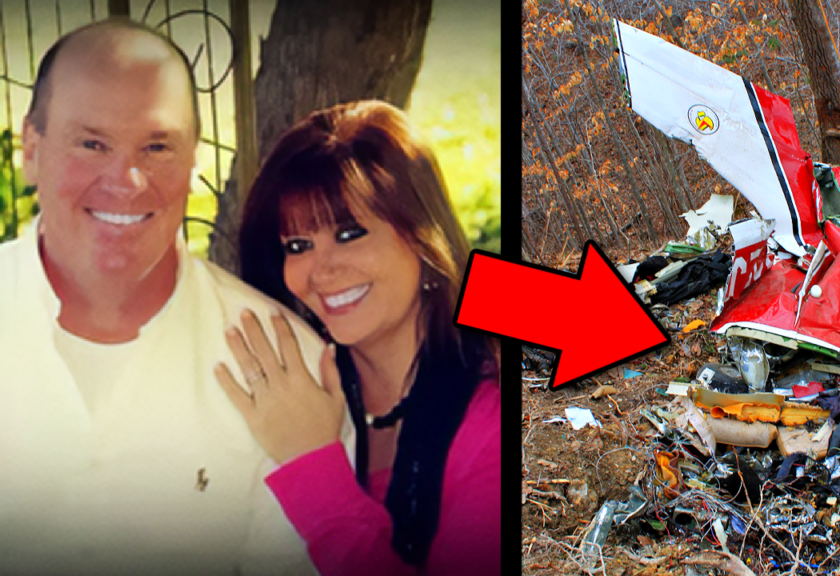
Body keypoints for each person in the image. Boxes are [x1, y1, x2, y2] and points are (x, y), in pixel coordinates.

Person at [0, 18, 347, 575]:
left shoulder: (287, 369)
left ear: (193, 162)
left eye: (157, 145)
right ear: (32, 149)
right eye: (92, 143)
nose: (127, 179)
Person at [217, 100, 500, 576]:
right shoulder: (291, 379)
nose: (322, 270)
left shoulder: (488, 422)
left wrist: (311, 462)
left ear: (421, 238)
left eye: (350, 233)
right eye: (298, 245)